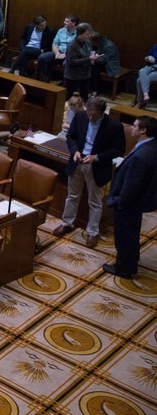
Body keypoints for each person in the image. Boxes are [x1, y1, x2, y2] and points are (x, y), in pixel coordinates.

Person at [51, 95, 126, 249]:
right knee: (72, 195)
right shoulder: (81, 116)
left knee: (95, 201)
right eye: (88, 113)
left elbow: (119, 149)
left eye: (93, 114)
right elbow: (71, 137)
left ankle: (92, 232)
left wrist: (97, 157)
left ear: (102, 112)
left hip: (96, 166)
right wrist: (75, 151)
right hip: (77, 161)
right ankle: (67, 223)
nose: (90, 116)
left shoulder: (113, 125)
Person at [105, 116, 157, 279]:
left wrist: (120, 202)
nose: (131, 128)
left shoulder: (141, 156)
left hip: (128, 203)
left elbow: (132, 185)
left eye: (134, 125)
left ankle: (124, 268)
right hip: (137, 201)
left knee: (125, 235)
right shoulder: (151, 146)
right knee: (131, 233)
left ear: (143, 130)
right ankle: (130, 261)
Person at [37, 13, 79, 82]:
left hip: (70, 55)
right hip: (58, 52)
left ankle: (66, 85)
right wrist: (57, 53)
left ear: (74, 23)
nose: (64, 23)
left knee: (66, 63)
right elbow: (54, 44)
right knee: (42, 57)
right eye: (64, 21)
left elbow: (76, 48)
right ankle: (44, 80)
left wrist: (65, 54)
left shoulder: (78, 33)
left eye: (67, 21)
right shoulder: (61, 30)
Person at [63, 22, 96, 101]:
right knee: (68, 96)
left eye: (89, 34)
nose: (89, 36)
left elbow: (88, 54)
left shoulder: (87, 43)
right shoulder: (72, 45)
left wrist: (93, 58)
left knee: (84, 96)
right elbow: (71, 62)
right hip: (72, 76)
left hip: (85, 75)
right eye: (87, 34)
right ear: (80, 34)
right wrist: (88, 59)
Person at [133, 41, 157, 108]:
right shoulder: (155, 46)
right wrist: (148, 58)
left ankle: (140, 102)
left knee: (139, 80)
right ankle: (145, 94)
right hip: (151, 67)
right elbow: (146, 58)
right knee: (141, 71)